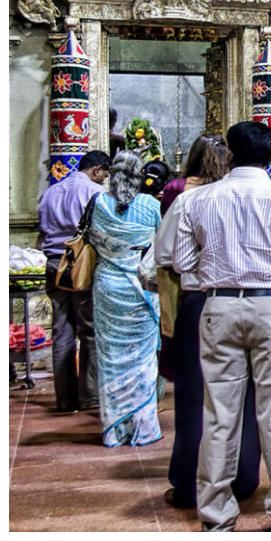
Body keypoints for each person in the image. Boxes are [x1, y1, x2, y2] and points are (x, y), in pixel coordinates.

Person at [174, 120, 271, 532]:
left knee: (219, 413)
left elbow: (182, 265)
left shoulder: (197, 201)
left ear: (230, 156)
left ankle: (217, 515)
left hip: (218, 305)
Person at [154, 133, 262, 510]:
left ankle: (190, 483)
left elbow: (168, 257)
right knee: (247, 397)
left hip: (202, 300)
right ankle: (244, 477)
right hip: (259, 302)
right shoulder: (269, 196)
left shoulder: (187, 199)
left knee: (195, 398)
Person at [91, 151, 163, 446]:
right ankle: (143, 426)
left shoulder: (98, 204)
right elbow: (162, 244)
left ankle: (114, 430)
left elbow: (91, 241)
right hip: (141, 287)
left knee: (110, 360)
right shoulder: (150, 205)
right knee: (143, 358)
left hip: (108, 285)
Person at [37, 149, 110, 412]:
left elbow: (42, 229)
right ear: (97, 170)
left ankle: (65, 399)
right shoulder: (94, 193)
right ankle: (89, 395)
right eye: (104, 174)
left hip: (53, 264)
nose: (104, 179)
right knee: (89, 330)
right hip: (80, 265)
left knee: (62, 329)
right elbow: (100, 233)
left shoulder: (50, 192)